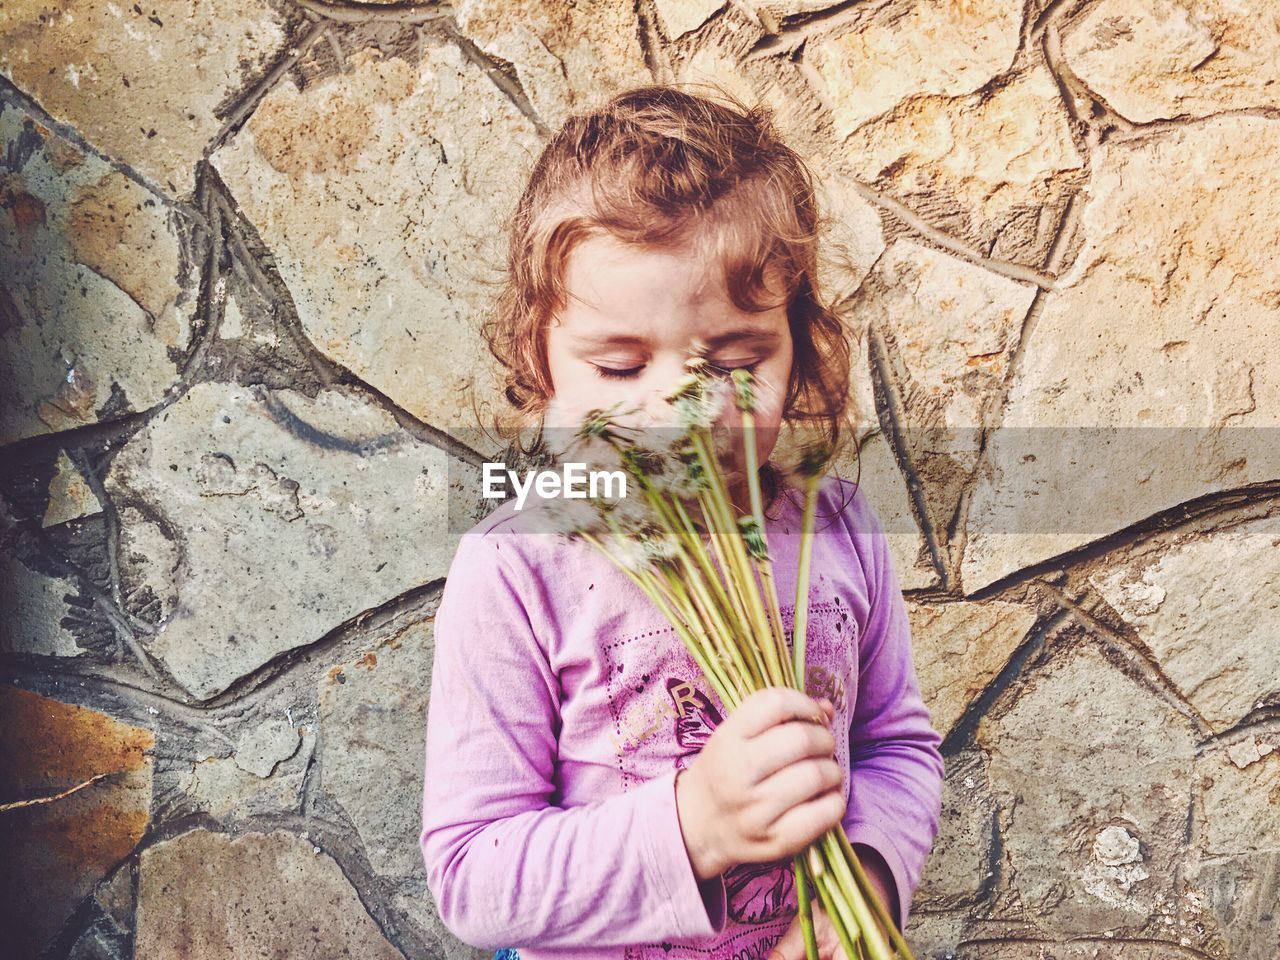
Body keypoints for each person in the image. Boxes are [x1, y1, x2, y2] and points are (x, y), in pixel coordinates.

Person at [419, 84, 945, 960]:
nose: (680, 410)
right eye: (620, 366)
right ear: (538, 362)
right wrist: (693, 825)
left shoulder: (837, 526)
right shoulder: (515, 569)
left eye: (737, 358)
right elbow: (473, 877)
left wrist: (860, 899)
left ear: (799, 347)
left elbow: (895, 746)